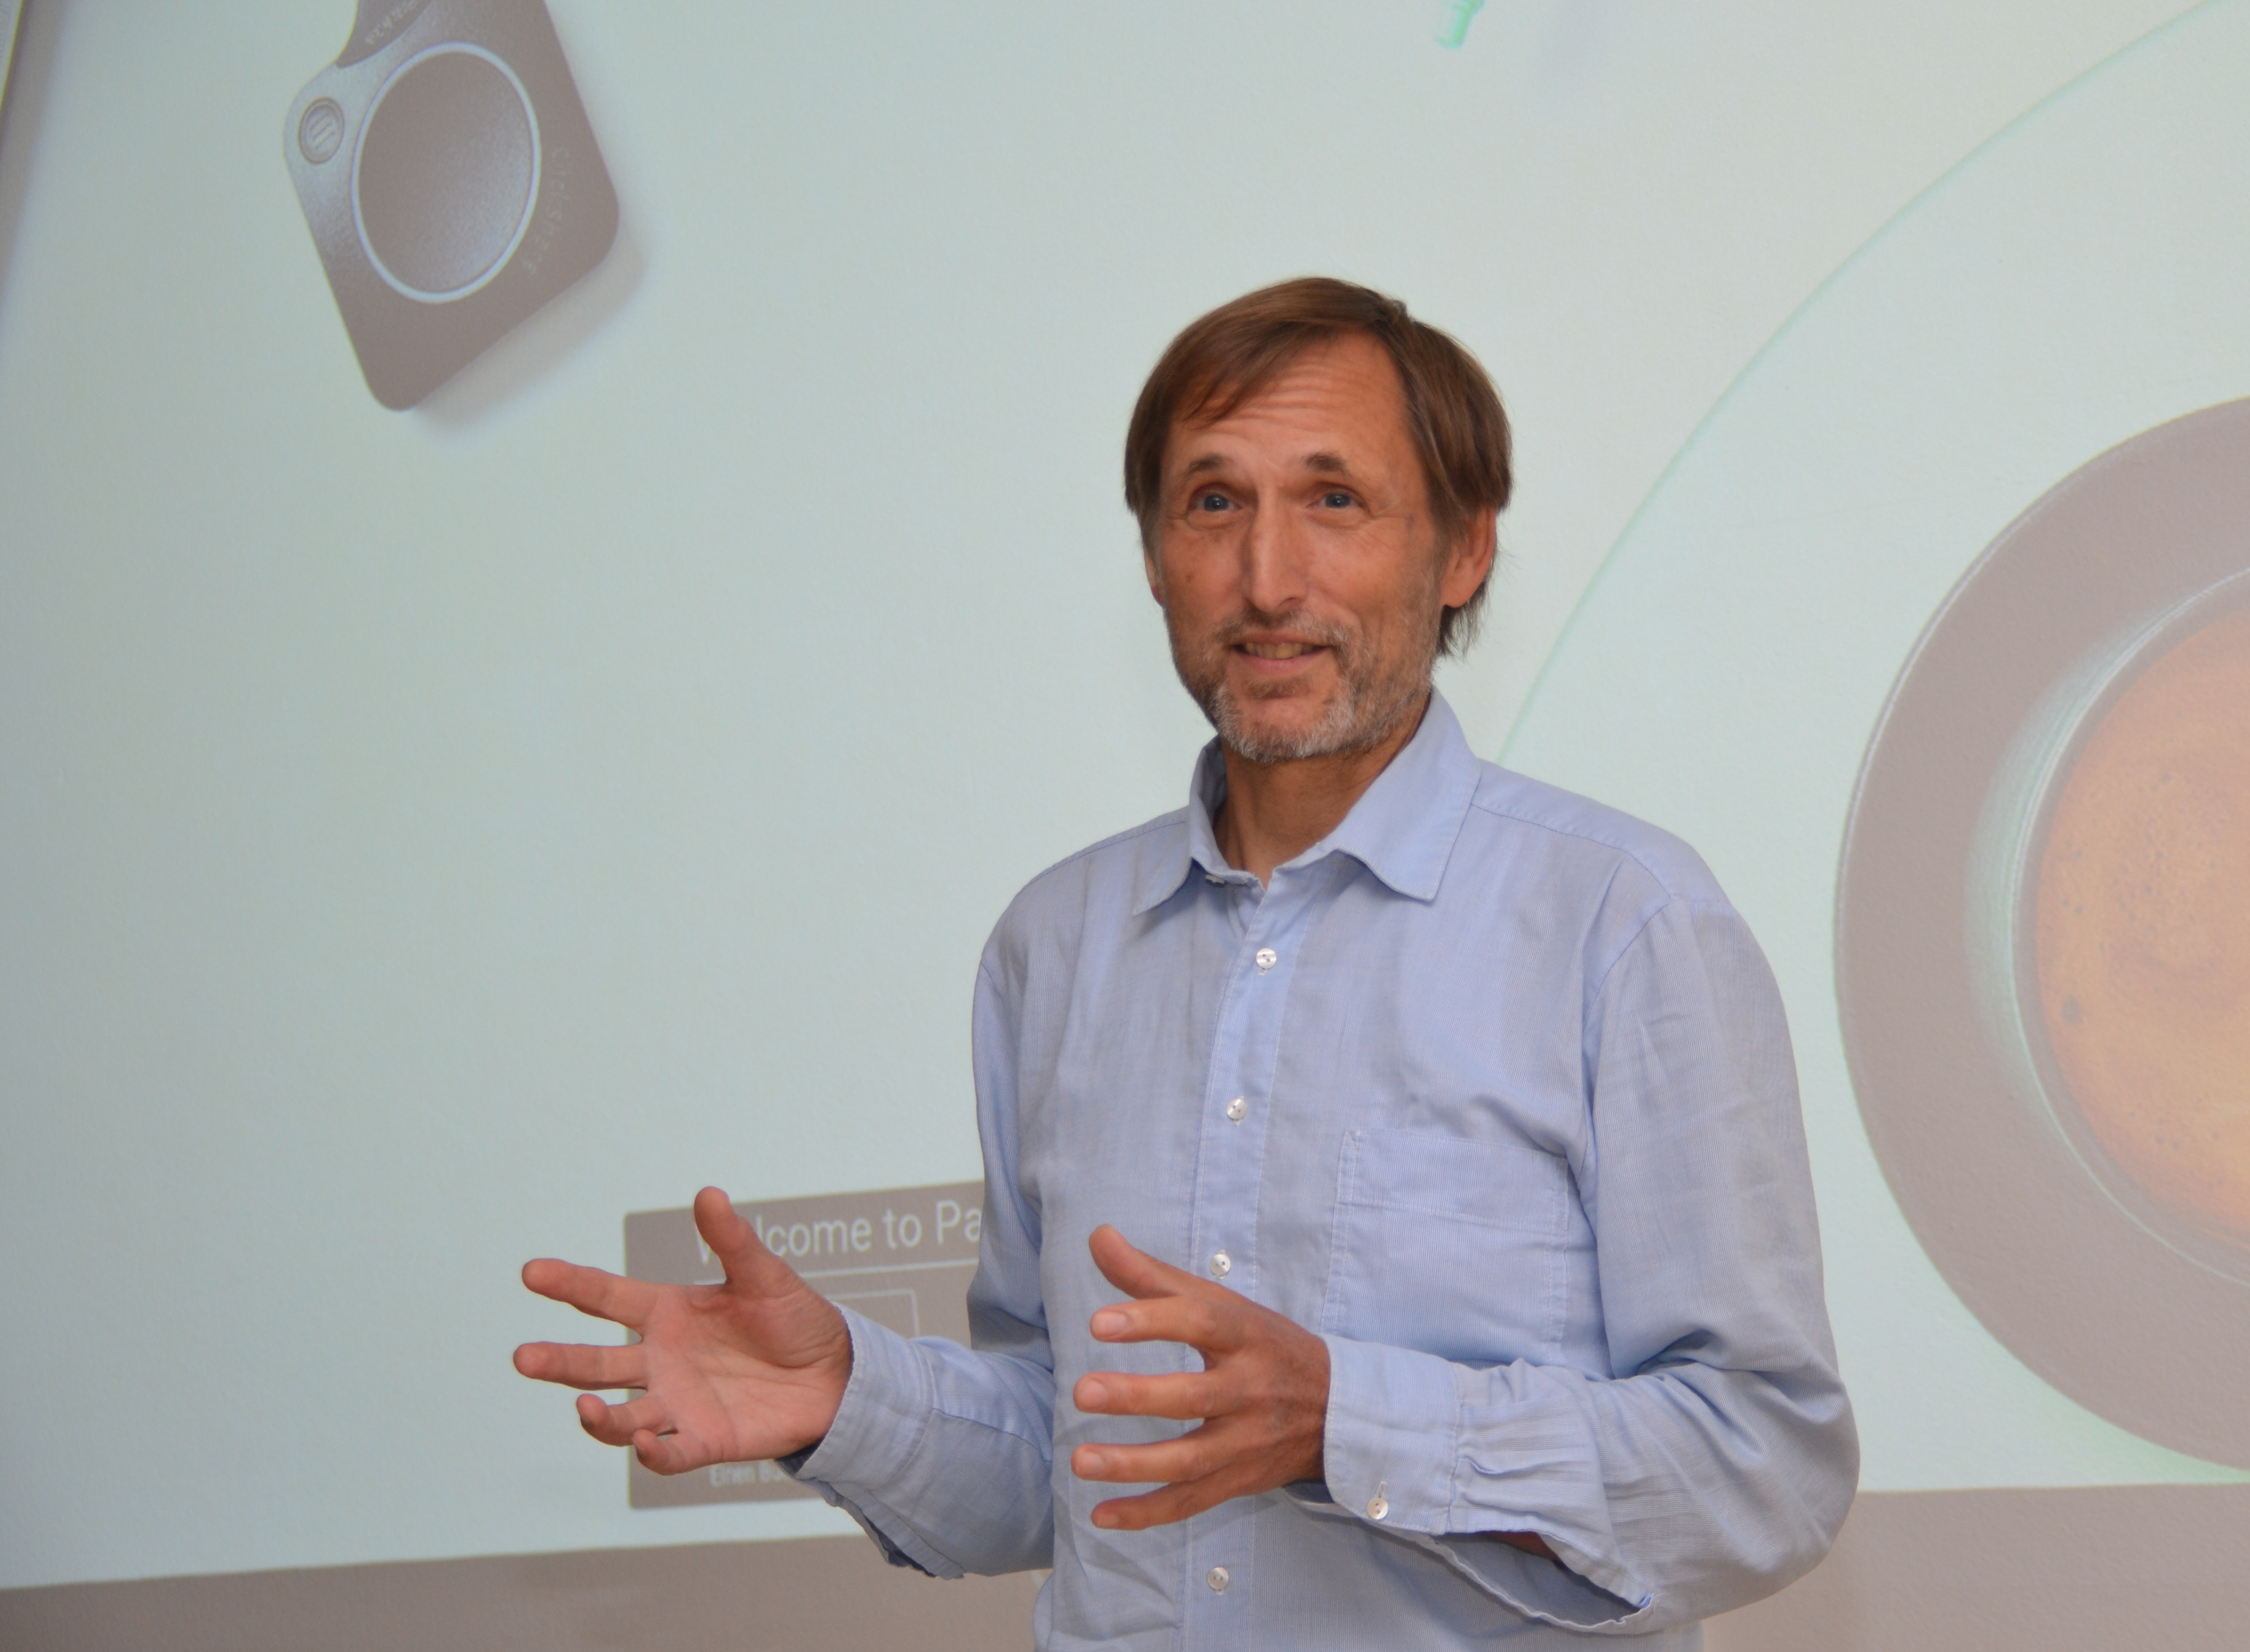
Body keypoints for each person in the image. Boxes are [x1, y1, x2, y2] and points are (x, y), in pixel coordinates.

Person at [516, 278, 1857, 1648]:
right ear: (1157, 558)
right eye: (1214, 503)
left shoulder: (1622, 921)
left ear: (1463, 553)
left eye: (1335, 499)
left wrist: (1349, 1424)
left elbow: (1766, 1465)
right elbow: (1068, 1458)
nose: (1267, 580)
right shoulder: (1052, 945)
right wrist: (846, 1400)